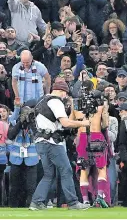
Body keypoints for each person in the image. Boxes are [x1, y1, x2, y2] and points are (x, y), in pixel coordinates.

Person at [29, 81, 91, 211]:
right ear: (63, 91)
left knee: (48, 174)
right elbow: (65, 122)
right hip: (51, 142)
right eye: (65, 94)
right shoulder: (56, 101)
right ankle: (73, 202)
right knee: (66, 170)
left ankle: (37, 202)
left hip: (41, 141)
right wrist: (84, 123)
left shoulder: (42, 100)